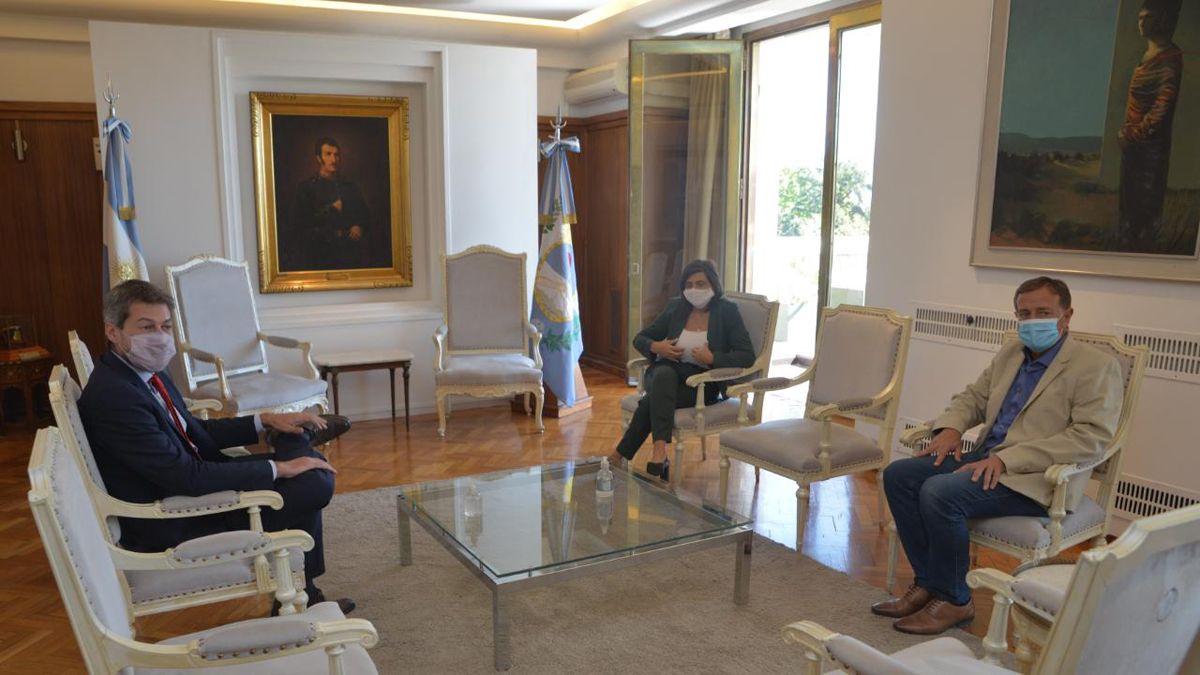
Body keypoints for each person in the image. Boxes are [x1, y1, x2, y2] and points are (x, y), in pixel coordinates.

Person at [78, 280, 355, 614]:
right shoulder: (115, 397)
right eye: (146, 327)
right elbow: (186, 477)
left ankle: (291, 440)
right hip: (176, 517)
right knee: (313, 481)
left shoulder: (143, 373)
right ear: (113, 331)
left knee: (310, 475)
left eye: (165, 327)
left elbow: (195, 431)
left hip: (189, 487)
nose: (160, 337)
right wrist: (280, 468)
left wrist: (263, 420)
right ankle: (295, 444)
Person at [873, 277, 1123, 635]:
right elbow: (973, 398)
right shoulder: (1011, 353)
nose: (1032, 320)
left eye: (1043, 312)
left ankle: (955, 600)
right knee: (900, 475)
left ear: (1066, 316)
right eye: (1024, 313)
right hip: (986, 458)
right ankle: (928, 584)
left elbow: (1090, 437)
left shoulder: (1095, 366)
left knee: (940, 492)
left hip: (1035, 477)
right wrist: (951, 429)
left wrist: (1009, 459)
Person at [612, 259, 754, 480]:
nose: (693, 290)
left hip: (700, 384)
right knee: (664, 375)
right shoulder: (676, 307)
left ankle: (621, 454)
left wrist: (713, 357)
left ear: (714, 285)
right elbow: (640, 338)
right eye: (688, 285)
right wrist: (656, 346)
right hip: (664, 372)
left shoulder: (727, 311)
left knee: (653, 400)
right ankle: (660, 451)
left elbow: (747, 355)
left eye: (700, 284)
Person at [1117, 0, 1183, 252]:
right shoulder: (1145, 56)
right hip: (1132, 146)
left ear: (1162, 20)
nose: (1141, 22)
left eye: (1148, 17)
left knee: (1144, 206)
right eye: (1140, 17)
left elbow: (1161, 109)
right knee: (1128, 204)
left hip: (1150, 148)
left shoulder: (1170, 58)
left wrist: (1134, 133)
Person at [288, 137, 372, 271]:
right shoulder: (306, 187)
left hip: (349, 257)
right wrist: (332, 209)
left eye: (336, 155)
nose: (334, 160)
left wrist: (359, 226)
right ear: (318, 158)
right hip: (319, 257)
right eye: (328, 154)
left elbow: (366, 216)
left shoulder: (350, 187)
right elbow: (301, 226)